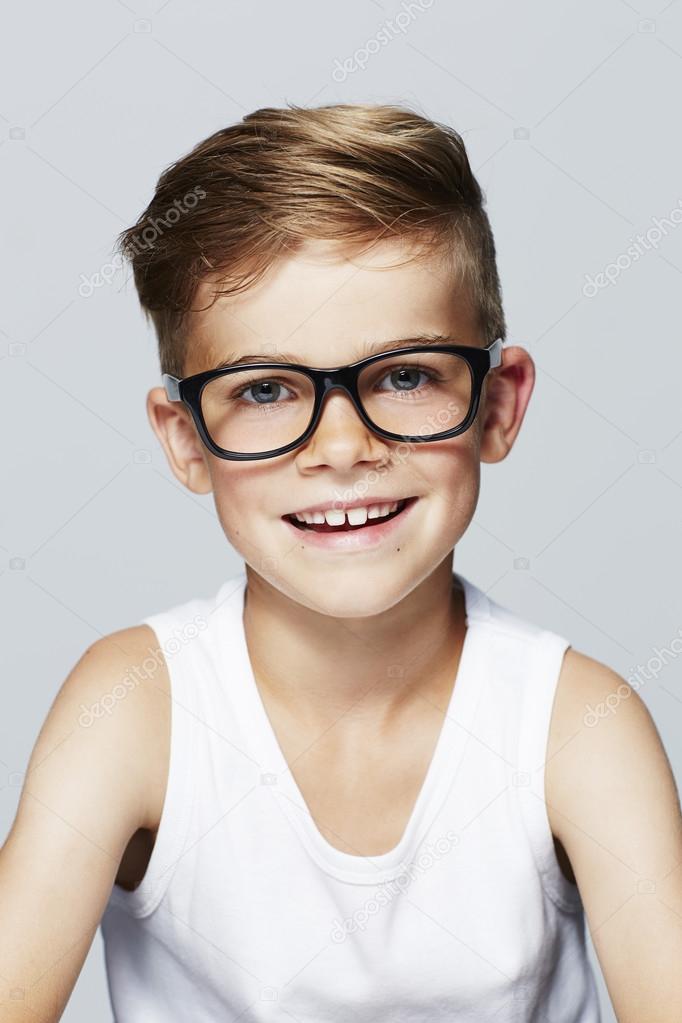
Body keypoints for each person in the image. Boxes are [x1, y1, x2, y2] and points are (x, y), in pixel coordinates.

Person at [2, 103, 681, 1023]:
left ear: (497, 404)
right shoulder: (135, 709)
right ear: (187, 440)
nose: (342, 445)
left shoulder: (579, 727)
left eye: (404, 374)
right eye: (267, 389)